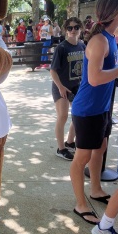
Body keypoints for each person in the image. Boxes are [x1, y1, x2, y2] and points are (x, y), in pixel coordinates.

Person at [70, 0, 118, 225]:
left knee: (100, 147)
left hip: (101, 108)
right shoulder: (99, 40)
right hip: (88, 109)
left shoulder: (110, 37)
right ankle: (80, 205)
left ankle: (96, 189)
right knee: (82, 158)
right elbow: (95, 78)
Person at [50, 18, 85, 160]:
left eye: (76, 27)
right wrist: (61, 87)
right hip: (61, 86)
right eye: (69, 28)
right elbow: (53, 71)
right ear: (65, 30)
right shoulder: (62, 48)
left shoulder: (82, 46)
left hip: (77, 86)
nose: (73, 30)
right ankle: (61, 148)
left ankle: (70, 142)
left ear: (80, 29)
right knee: (63, 116)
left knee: (78, 115)